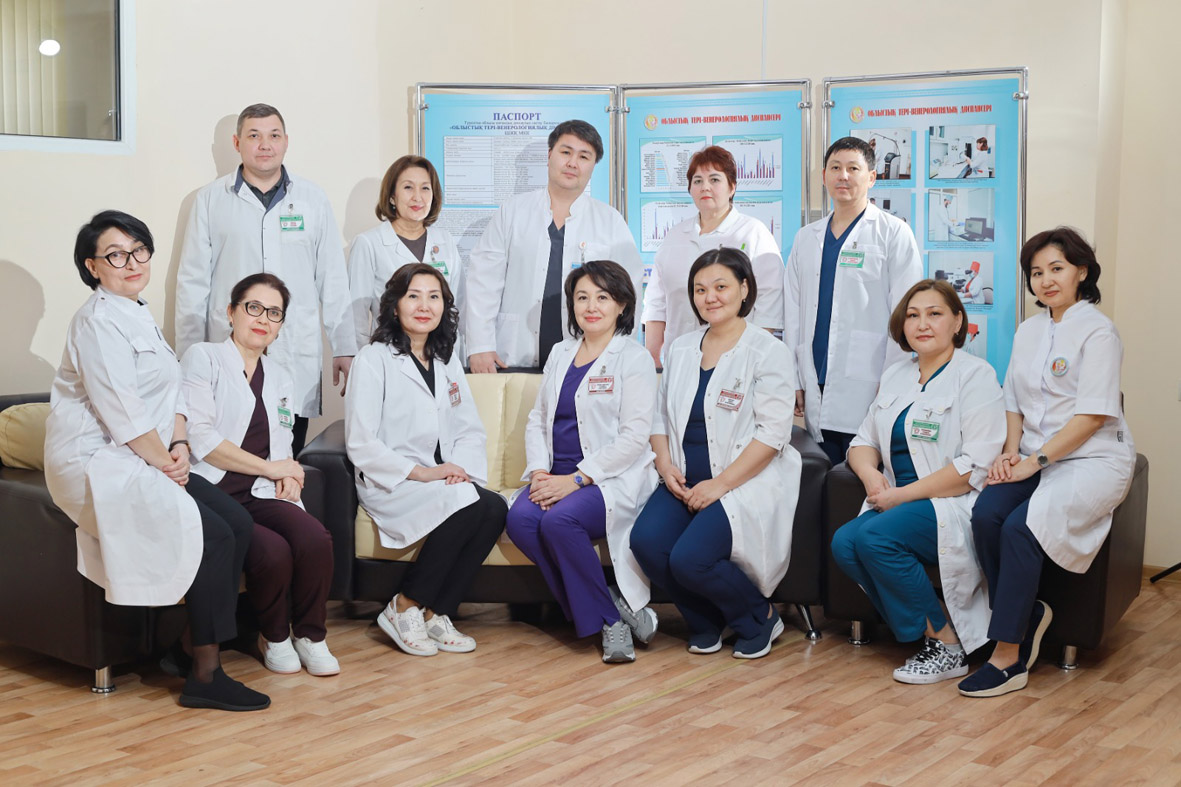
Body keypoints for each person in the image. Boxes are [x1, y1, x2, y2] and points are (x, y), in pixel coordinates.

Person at [45, 211, 268, 711]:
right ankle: (205, 676)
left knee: (237, 522)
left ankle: (185, 648)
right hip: (96, 460)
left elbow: (169, 396)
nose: (131, 262)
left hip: (146, 452)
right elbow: (121, 411)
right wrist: (167, 463)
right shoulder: (98, 322)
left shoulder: (137, 311)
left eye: (139, 250)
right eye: (115, 255)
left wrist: (180, 443)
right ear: (92, 266)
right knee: (212, 534)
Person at [959, 228, 1136, 698]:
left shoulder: (1098, 331)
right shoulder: (1029, 330)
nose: (1046, 280)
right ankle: (1026, 613)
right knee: (986, 514)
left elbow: (1093, 415)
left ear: (1082, 271)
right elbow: (1013, 400)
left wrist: (1034, 461)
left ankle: (1008, 656)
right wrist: (1010, 452)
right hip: (1034, 456)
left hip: (1092, 459)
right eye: (1036, 273)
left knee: (1022, 527)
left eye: (1057, 268)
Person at [630, 248, 801, 659]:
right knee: (647, 543)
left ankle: (758, 617)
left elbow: (773, 434)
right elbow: (659, 416)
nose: (710, 297)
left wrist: (720, 485)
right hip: (683, 477)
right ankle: (706, 620)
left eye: (721, 286)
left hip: (742, 480)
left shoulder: (768, 351)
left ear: (744, 288)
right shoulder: (681, 348)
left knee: (690, 559)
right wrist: (665, 464)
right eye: (700, 289)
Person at [831, 279, 1004, 684]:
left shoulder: (975, 376)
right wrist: (870, 474)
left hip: (950, 502)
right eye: (912, 315)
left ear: (957, 322)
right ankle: (929, 630)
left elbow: (974, 466)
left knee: (875, 538)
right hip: (896, 499)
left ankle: (946, 646)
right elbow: (863, 441)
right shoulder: (896, 375)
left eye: (934, 314)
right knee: (844, 542)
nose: (922, 324)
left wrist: (901, 495)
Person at [181, 273, 338, 677]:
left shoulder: (280, 375)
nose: (263, 319)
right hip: (214, 489)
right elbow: (201, 438)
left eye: (274, 313)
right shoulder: (204, 357)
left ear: (281, 325)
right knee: (272, 552)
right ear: (231, 312)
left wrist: (289, 473)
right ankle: (275, 636)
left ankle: (311, 635)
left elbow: (282, 439)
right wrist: (272, 467)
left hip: (260, 490)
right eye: (253, 308)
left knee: (316, 539)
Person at [176, 103, 356, 454]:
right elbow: (192, 283)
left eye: (273, 136)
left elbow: (333, 278)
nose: (265, 145)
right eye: (254, 136)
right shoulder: (210, 200)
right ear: (237, 143)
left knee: (286, 449)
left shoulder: (312, 199)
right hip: (228, 346)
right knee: (227, 446)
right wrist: (188, 356)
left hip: (293, 345)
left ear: (286, 141)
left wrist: (344, 346)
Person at [345, 263, 506, 656]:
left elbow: (468, 428)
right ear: (394, 305)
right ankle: (404, 605)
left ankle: (437, 613)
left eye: (434, 297)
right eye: (413, 296)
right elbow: (361, 442)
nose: (424, 306)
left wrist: (459, 472)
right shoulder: (373, 359)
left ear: (444, 307)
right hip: (395, 481)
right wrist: (424, 473)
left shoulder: (446, 360)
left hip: (440, 480)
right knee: (470, 505)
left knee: (494, 507)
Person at [505, 261, 660, 663]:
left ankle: (609, 625)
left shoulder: (634, 358)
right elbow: (538, 418)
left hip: (607, 479)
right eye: (582, 297)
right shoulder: (561, 352)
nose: (591, 307)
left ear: (622, 305)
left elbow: (634, 437)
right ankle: (611, 605)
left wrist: (575, 480)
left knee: (559, 521)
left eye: (602, 297)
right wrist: (540, 472)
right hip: (555, 475)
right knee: (520, 520)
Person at [782, 136, 923, 466]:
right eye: (835, 168)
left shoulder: (893, 233)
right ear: (824, 176)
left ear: (871, 177)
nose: (843, 176)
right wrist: (793, 377)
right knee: (821, 474)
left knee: (865, 472)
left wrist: (892, 382)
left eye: (853, 168)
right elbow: (793, 312)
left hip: (870, 379)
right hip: (815, 376)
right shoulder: (806, 238)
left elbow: (907, 313)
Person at [464, 119, 642, 372]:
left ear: (593, 166)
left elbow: (630, 294)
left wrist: (620, 350)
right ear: (550, 155)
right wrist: (480, 346)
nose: (572, 163)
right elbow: (483, 282)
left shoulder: (610, 221)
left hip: (588, 361)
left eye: (584, 157)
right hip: (512, 355)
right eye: (566, 152)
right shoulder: (512, 212)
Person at [643, 145, 783, 367]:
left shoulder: (753, 232)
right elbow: (656, 302)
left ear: (732, 187)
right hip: (679, 359)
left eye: (715, 179)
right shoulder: (674, 237)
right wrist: (652, 355)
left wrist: (751, 357)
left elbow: (770, 304)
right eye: (698, 181)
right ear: (690, 189)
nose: (705, 187)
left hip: (736, 361)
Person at [348, 155, 464, 356]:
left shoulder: (445, 240)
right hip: (389, 354)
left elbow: (458, 304)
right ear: (392, 196)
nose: (417, 197)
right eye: (408, 187)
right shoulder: (368, 243)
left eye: (425, 188)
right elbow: (355, 315)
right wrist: (360, 360)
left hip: (441, 353)